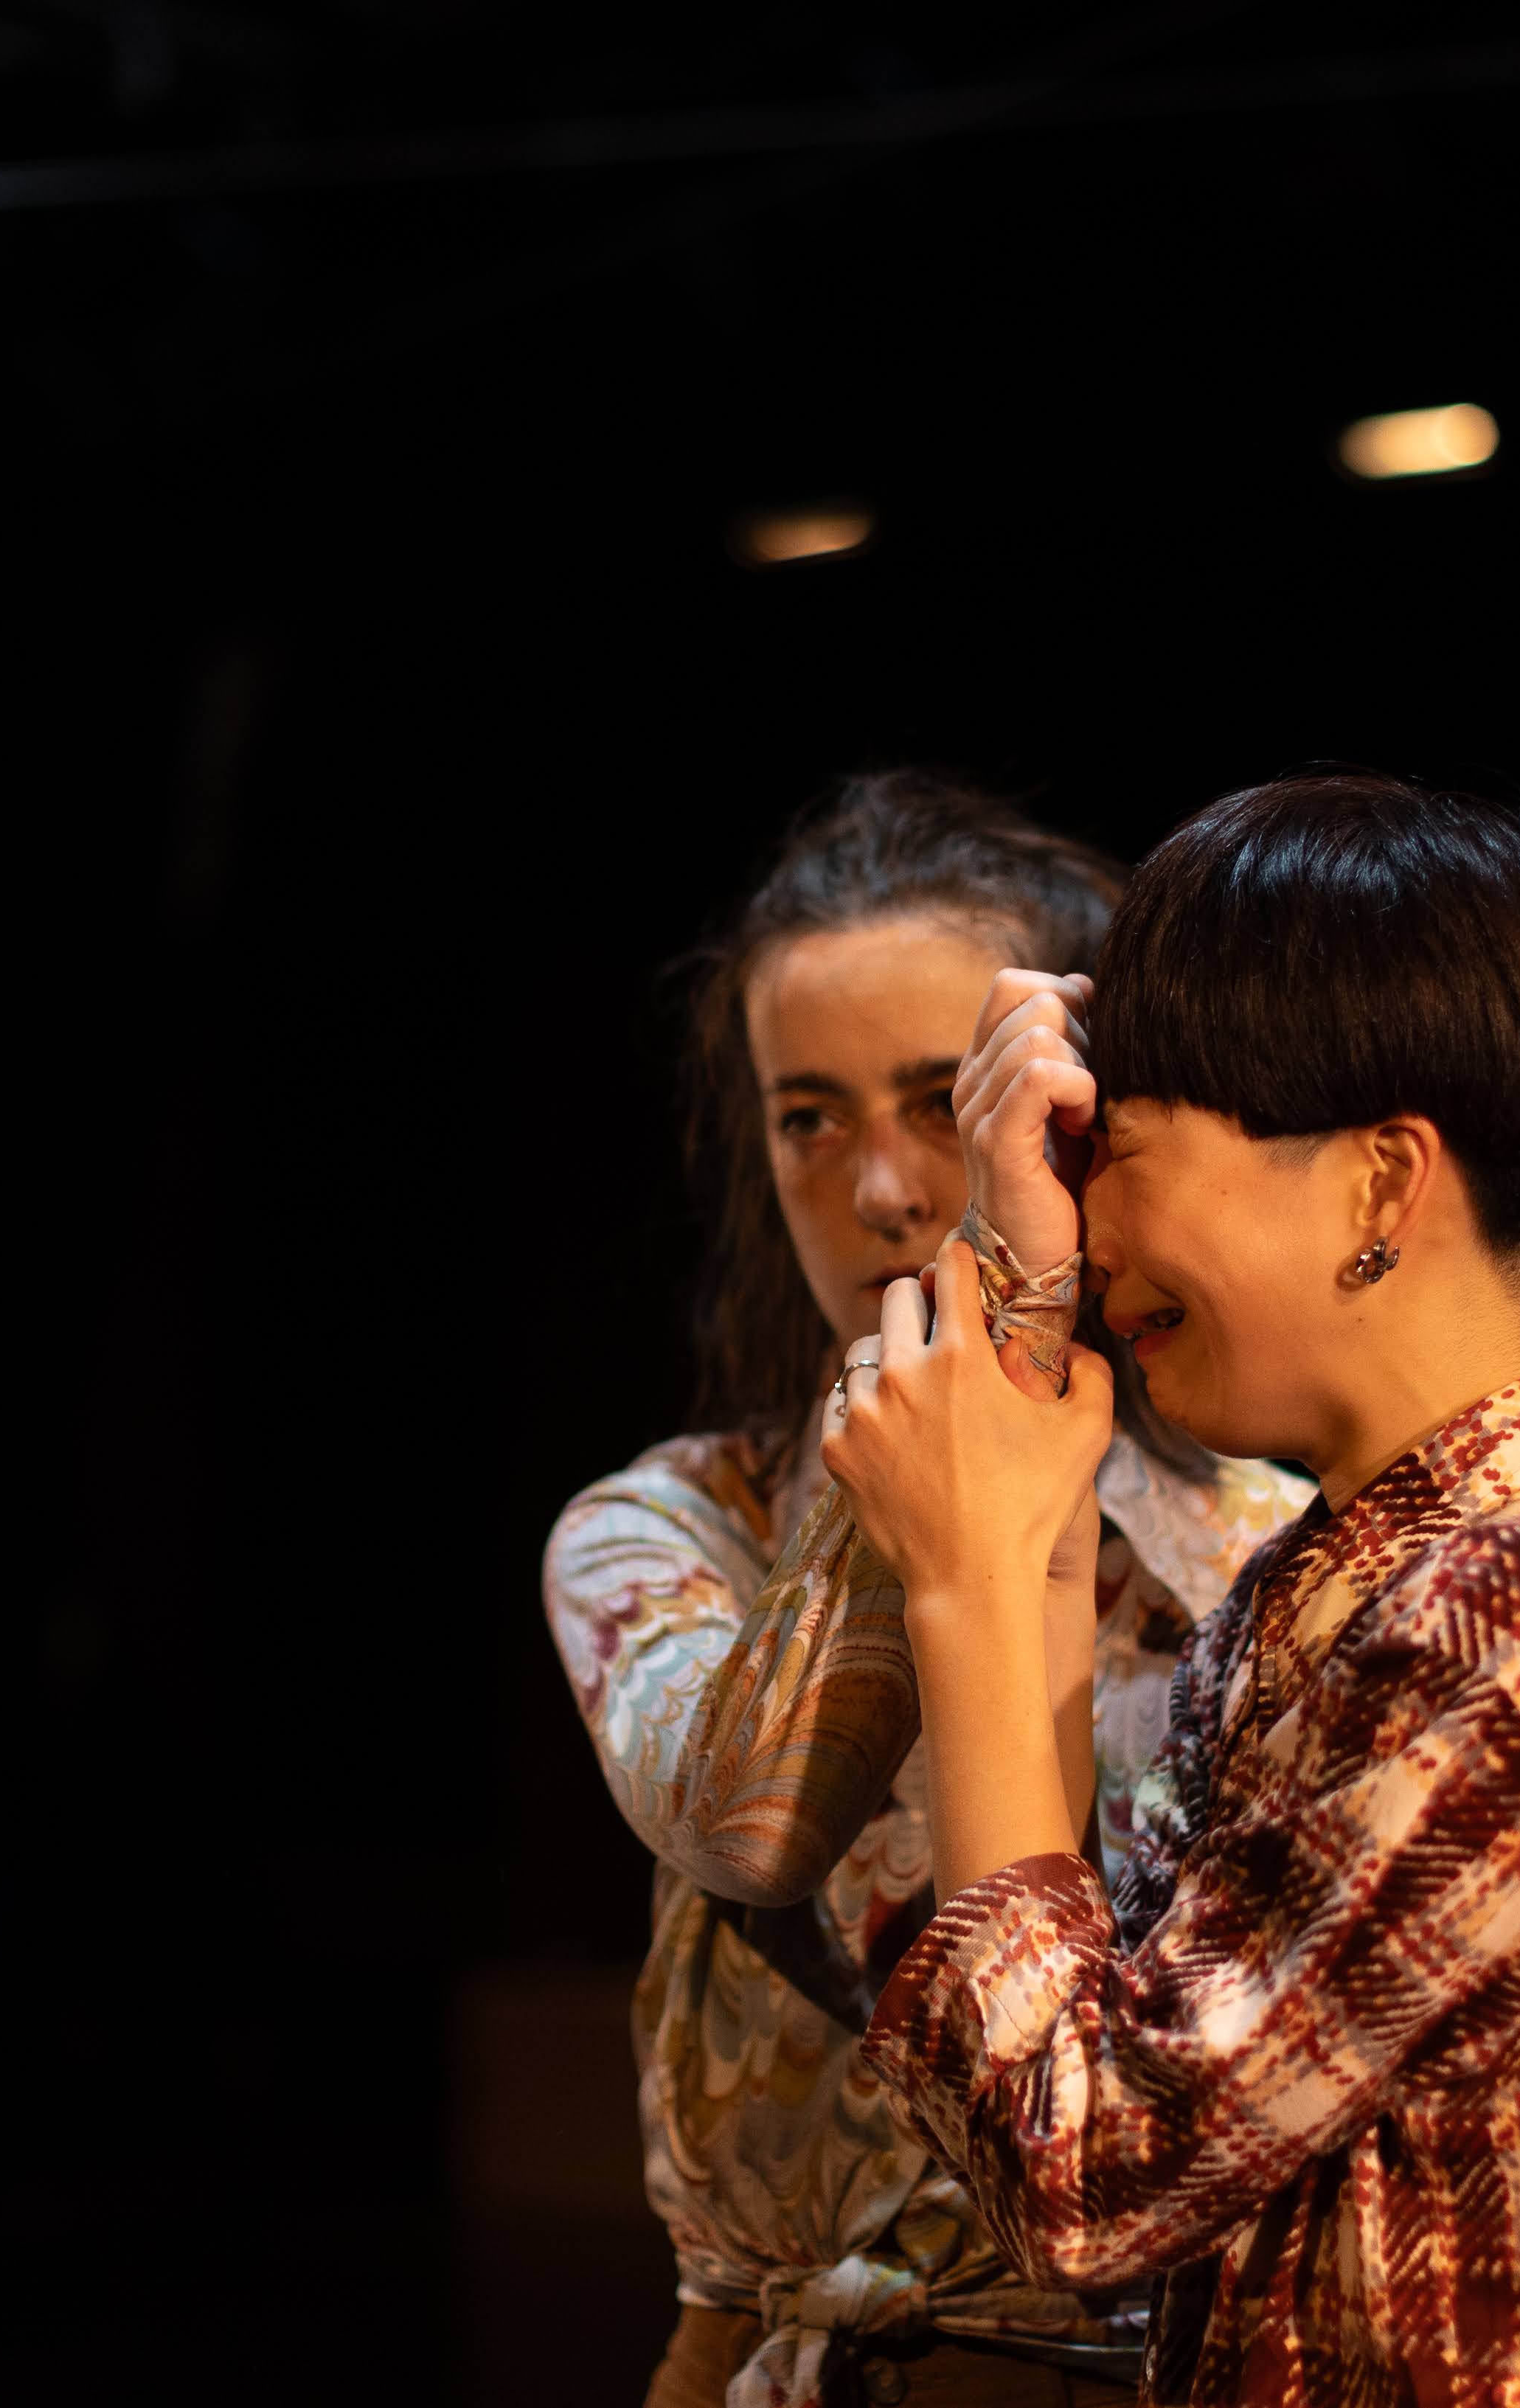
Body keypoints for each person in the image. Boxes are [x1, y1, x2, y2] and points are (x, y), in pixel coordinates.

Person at [820, 771, 1520, 2407]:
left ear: (1383, 1185)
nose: (1083, 1224)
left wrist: (966, 1577)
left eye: (1113, 1152)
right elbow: (1094, 2004)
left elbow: (1091, 2168)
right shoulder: (1358, 1576)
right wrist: (1017, 1439)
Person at [543, 771, 1317, 2408]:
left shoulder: (1269, 1539)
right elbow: (751, 1820)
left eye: (942, 1103)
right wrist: (997, 1302)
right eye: (807, 1115)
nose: (886, 1191)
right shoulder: (674, 1520)